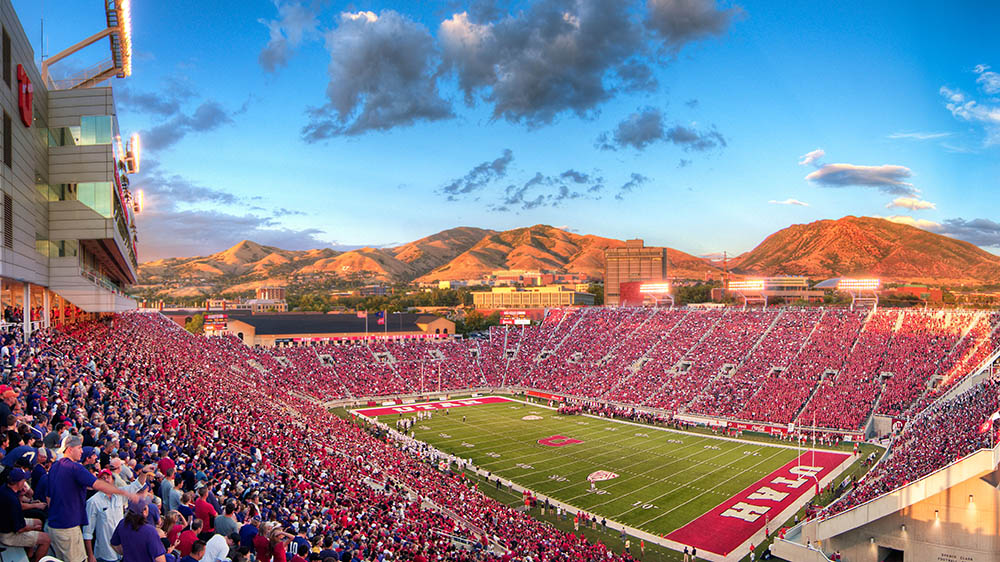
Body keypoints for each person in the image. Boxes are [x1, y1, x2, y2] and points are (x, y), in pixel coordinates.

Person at [48, 434, 136, 562]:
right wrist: (125, 493)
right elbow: (99, 484)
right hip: (67, 527)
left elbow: (48, 497)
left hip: (56, 525)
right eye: (79, 447)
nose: (82, 451)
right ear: (70, 449)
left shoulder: (55, 466)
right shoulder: (75, 467)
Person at [0, 468, 51, 562]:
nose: (25, 483)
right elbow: (20, 529)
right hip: (8, 535)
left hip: (8, 525)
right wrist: (33, 528)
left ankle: (30, 553)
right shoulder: (12, 500)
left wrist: (21, 495)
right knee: (46, 539)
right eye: (24, 481)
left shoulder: (5, 488)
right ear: (19, 482)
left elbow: (17, 508)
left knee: (38, 521)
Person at [83, 469, 127, 562]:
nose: (106, 480)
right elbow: (87, 532)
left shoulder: (119, 497)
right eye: (103, 478)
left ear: (113, 480)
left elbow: (135, 487)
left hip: (122, 552)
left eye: (108, 477)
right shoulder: (93, 502)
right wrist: (90, 555)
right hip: (105, 554)